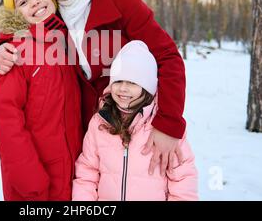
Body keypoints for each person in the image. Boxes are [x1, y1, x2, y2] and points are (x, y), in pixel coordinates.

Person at [0, 0, 186, 176]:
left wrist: (168, 124)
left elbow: (167, 57)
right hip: (87, 145)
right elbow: (24, 37)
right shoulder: (50, 15)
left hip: (137, 131)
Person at [0, 0, 83, 201]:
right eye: (22, 2)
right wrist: (30, 181)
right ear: (15, 14)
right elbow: (4, 122)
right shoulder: (14, 52)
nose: (34, 2)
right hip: (36, 183)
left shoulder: (68, 41)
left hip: (74, 175)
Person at [72, 41, 198, 201]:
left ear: (147, 87)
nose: (123, 88)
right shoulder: (100, 122)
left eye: (132, 83)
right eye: (118, 81)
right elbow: (87, 173)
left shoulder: (164, 128)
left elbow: (182, 179)